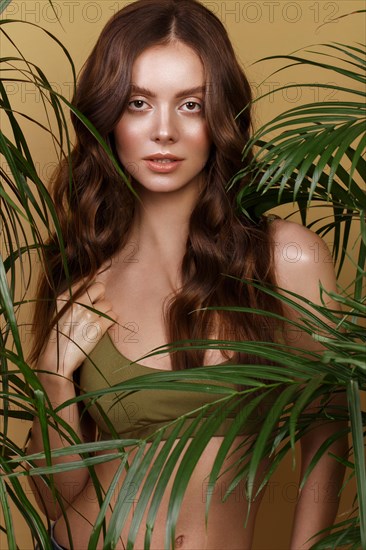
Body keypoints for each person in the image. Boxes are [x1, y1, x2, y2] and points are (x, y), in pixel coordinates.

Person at [27, 1, 347, 548]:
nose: (164, 131)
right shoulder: (76, 272)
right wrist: (54, 374)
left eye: (191, 104)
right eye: (138, 103)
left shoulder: (283, 261)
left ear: (220, 116)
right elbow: (57, 502)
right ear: (108, 116)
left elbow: (330, 425)